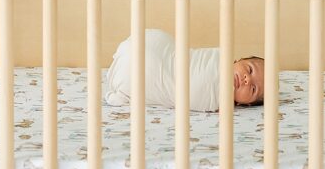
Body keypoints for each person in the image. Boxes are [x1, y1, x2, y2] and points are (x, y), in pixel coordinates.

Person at [104, 28, 265, 111]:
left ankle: (124, 90)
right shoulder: (219, 56)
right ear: (239, 60)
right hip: (148, 44)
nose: (247, 80)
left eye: (253, 89)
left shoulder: (220, 103)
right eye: (250, 70)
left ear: (247, 104)